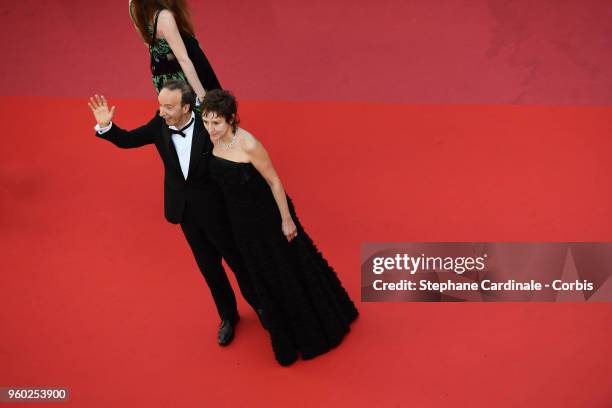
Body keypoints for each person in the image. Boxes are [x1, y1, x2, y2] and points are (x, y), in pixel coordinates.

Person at [87, 80, 258, 346]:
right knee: (209, 269)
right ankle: (228, 316)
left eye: (168, 107)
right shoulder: (159, 124)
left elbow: (237, 154)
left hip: (217, 211)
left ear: (187, 107)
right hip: (186, 213)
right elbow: (129, 140)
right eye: (160, 105)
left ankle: (262, 307)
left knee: (238, 263)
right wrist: (106, 127)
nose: (162, 111)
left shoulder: (207, 126)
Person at [201, 89, 359, 366]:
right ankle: (283, 331)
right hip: (241, 224)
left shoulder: (248, 144)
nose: (210, 129)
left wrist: (286, 220)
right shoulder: (212, 141)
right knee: (263, 277)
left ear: (232, 120)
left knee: (289, 271)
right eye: (206, 122)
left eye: (217, 123)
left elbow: (274, 181)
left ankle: (315, 329)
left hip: (269, 219)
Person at [129, 0, 221, 101]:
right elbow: (183, 59)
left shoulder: (132, 5)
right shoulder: (164, 17)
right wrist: (203, 98)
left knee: (174, 113)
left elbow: (147, 42)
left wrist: (165, 54)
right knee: (210, 111)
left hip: (162, 75)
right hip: (186, 73)